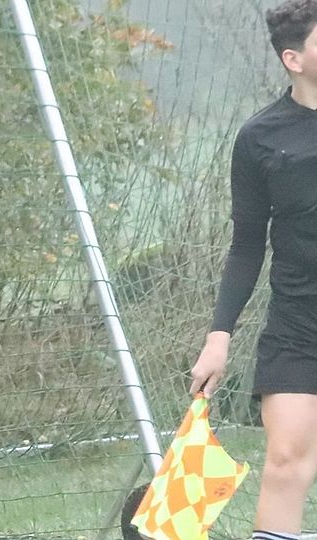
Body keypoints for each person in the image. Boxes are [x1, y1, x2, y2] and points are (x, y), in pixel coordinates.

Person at [189, 2, 317, 539]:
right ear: (293, 58)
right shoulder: (260, 137)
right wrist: (219, 337)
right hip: (297, 325)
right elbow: (245, 246)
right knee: (287, 459)